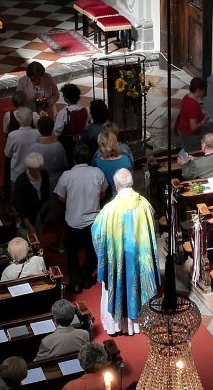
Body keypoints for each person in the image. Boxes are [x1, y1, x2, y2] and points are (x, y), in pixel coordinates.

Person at [92, 168, 160, 336]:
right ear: (131, 183)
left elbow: (97, 234)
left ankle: (117, 325)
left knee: (119, 285)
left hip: (119, 260)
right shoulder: (144, 204)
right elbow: (152, 227)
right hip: (140, 259)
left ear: (116, 185)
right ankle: (140, 323)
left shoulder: (110, 209)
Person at [54, 143, 108, 294]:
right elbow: (103, 192)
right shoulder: (97, 173)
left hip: (73, 220)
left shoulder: (67, 175)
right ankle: (86, 278)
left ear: (74, 159)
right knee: (92, 252)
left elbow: (60, 197)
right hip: (92, 221)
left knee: (72, 253)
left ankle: (76, 282)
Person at [13, 152, 50, 238]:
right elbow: (20, 207)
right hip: (27, 220)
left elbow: (46, 194)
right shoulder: (21, 182)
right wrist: (29, 226)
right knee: (28, 242)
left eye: (39, 168)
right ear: (29, 168)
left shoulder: (44, 175)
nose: (38, 171)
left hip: (40, 216)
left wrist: (45, 208)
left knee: (38, 238)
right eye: (35, 169)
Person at [26, 116, 68, 191]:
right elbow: (65, 164)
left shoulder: (33, 148)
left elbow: (29, 168)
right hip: (57, 182)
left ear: (39, 129)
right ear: (52, 128)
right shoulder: (59, 145)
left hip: (41, 183)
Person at [4, 106, 41, 185]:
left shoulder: (12, 135)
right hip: (34, 171)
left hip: (17, 173)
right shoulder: (38, 133)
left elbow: (7, 154)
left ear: (18, 119)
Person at [54, 83, 89, 165]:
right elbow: (85, 125)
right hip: (82, 140)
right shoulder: (85, 109)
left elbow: (57, 131)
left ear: (66, 98)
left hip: (67, 143)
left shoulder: (63, 113)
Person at [93, 131, 133, 199]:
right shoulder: (125, 159)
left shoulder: (97, 163)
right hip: (124, 197)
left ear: (101, 146)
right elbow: (130, 181)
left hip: (106, 198)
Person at [176, 76, 210, 152]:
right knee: (194, 154)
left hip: (182, 130)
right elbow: (193, 127)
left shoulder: (186, 97)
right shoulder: (193, 105)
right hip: (190, 136)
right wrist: (204, 121)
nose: (204, 93)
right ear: (198, 90)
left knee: (187, 150)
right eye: (203, 91)